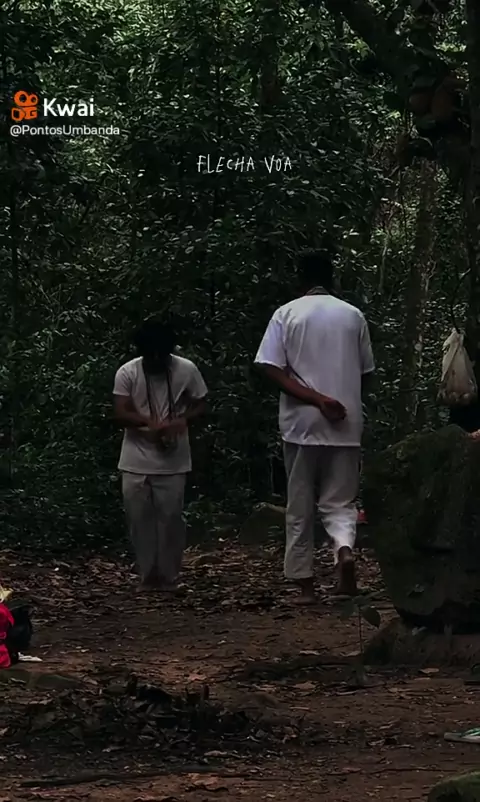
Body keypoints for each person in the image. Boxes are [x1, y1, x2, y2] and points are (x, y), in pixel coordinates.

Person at [254, 248, 375, 604]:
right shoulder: (353, 315)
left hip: (301, 423)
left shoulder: (287, 313)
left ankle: (305, 585)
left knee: (300, 503)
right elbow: (366, 373)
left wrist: (316, 400)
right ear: (331, 279)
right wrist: (340, 399)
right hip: (346, 421)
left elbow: (269, 367)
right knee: (341, 501)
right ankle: (343, 552)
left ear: (301, 279)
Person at [113, 320, 208, 591]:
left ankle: (168, 576)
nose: (155, 359)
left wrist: (182, 420)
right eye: (150, 355)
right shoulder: (127, 372)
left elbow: (201, 403)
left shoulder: (186, 369)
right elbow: (120, 411)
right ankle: (147, 575)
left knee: (171, 520)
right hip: (135, 459)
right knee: (138, 519)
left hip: (173, 459)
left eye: (161, 355)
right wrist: (146, 423)